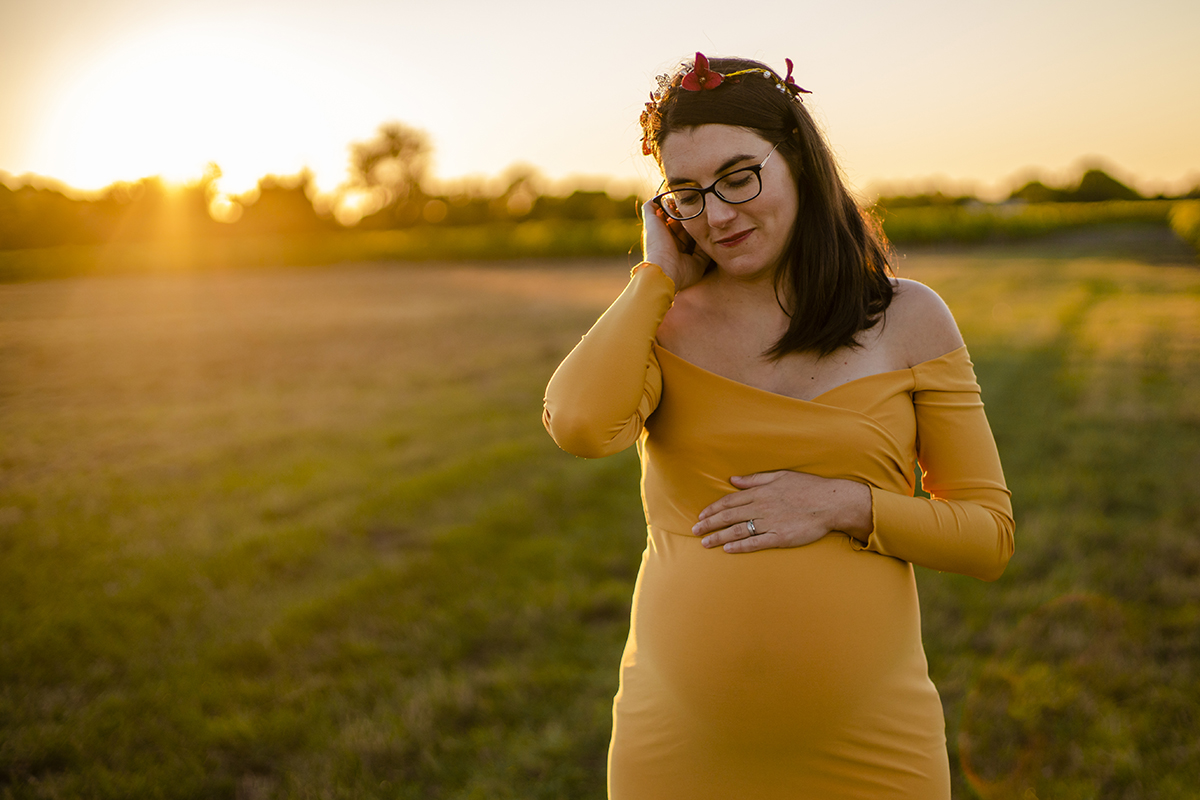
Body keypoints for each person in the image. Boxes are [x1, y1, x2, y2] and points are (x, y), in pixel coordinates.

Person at [542, 52, 1014, 800]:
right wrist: (655, 279)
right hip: (675, 748)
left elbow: (988, 536)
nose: (719, 215)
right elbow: (575, 423)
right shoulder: (663, 324)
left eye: (738, 177)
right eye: (688, 195)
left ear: (798, 160)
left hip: (872, 749)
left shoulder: (908, 318)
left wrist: (843, 505)